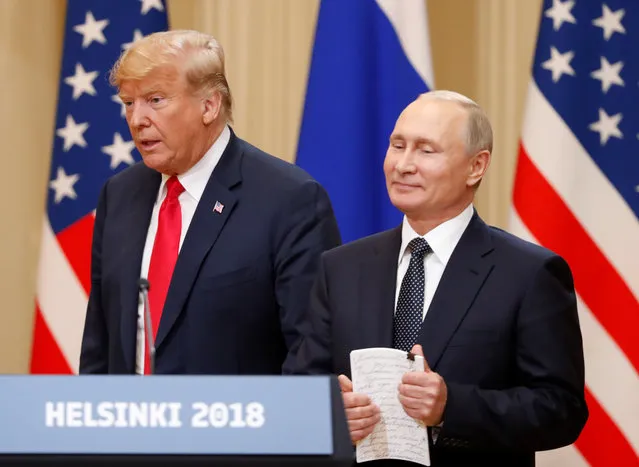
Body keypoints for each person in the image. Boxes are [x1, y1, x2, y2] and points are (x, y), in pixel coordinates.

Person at [289, 91, 588, 466]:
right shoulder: (341, 267)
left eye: (426, 151)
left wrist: (451, 407)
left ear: (476, 166)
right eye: (397, 145)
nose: (403, 164)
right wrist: (329, 412)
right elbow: (301, 389)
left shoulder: (529, 273)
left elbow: (561, 410)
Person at [79, 30, 341, 375]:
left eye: (155, 100)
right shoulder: (119, 194)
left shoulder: (289, 200)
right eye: (129, 103)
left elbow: (312, 353)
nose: (137, 119)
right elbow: (100, 343)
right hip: (129, 425)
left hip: (238, 426)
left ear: (209, 105)